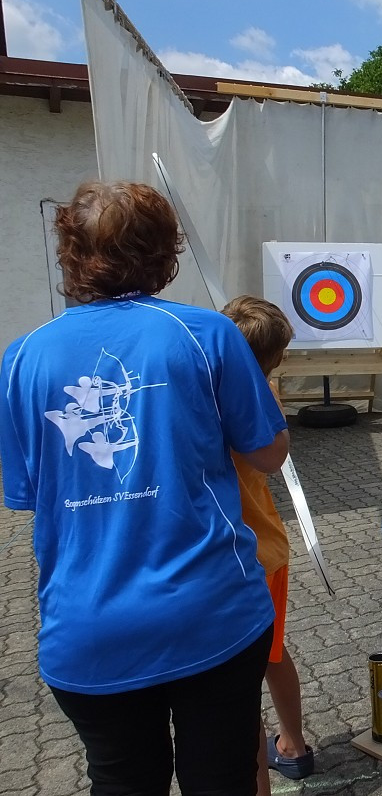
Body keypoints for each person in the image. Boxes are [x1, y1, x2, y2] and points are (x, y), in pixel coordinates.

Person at [0, 181, 289, 796]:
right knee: (222, 779)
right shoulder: (209, 335)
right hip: (210, 616)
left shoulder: (20, 358)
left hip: (87, 628)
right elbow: (268, 455)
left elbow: (28, 492)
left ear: (71, 253)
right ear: (163, 252)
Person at [221, 294, 315, 792]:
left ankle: (293, 746)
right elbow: (270, 454)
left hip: (251, 553)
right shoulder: (255, 397)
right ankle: (292, 748)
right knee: (267, 658)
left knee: (259, 662)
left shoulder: (212, 390)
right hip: (254, 552)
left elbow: (270, 456)